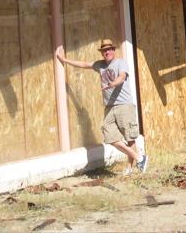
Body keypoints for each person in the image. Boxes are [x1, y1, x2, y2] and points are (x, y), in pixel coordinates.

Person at [57, 39, 148, 175]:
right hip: (109, 107)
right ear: (102, 53)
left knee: (129, 137)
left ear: (113, 50)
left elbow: (122, 77)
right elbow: (83, 64)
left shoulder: (121, 62)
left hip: (124, 105)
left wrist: (113, 84)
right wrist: (64, 60)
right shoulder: (100, 65)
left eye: (109, 49)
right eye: (104, 50)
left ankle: (130, 167)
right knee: (110, 137)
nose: (107, 52)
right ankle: (140, 158)